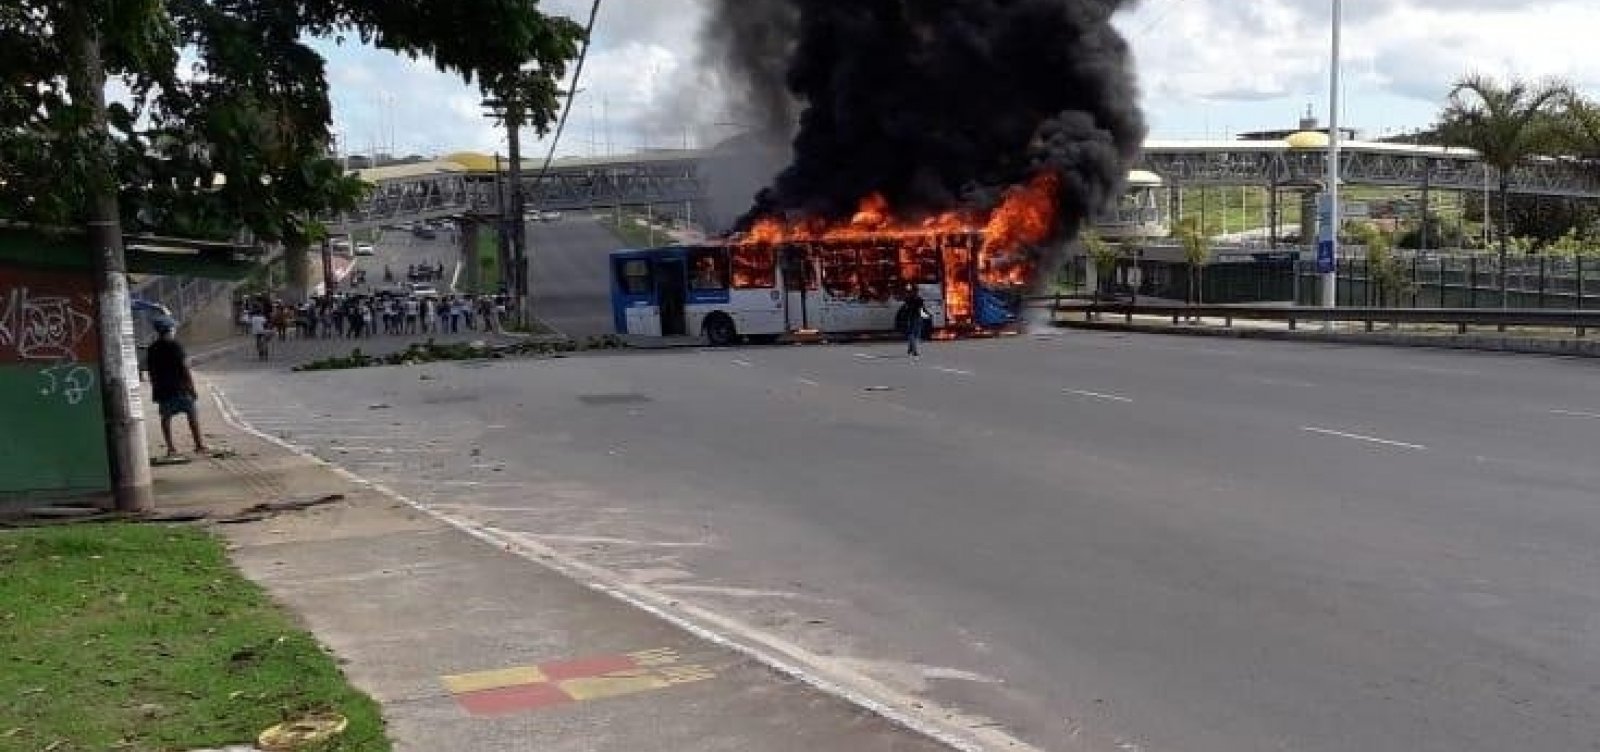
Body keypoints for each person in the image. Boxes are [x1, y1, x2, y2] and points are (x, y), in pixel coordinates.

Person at [146, 319, 208, 456]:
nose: (174, 331)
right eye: (173, 329)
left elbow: (151, 371)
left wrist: (155, 388)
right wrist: (192, 387)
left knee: (166, 418)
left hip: (162, 389)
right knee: (192, 415)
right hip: (181, 387)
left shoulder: (152, 349)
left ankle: (171, 448)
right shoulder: (176, 346)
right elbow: (185, 368)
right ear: (169, 330)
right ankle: (199, 445)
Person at [900, 287, 930, 358]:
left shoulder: (908, 299)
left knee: (912, 333)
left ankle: (911, 348)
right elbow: (922, 309)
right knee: (914, 334)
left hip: (913, 317)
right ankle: (914, 350)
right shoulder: (918, 299)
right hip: (916, 318)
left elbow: (905, 309)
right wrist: (927, 315)